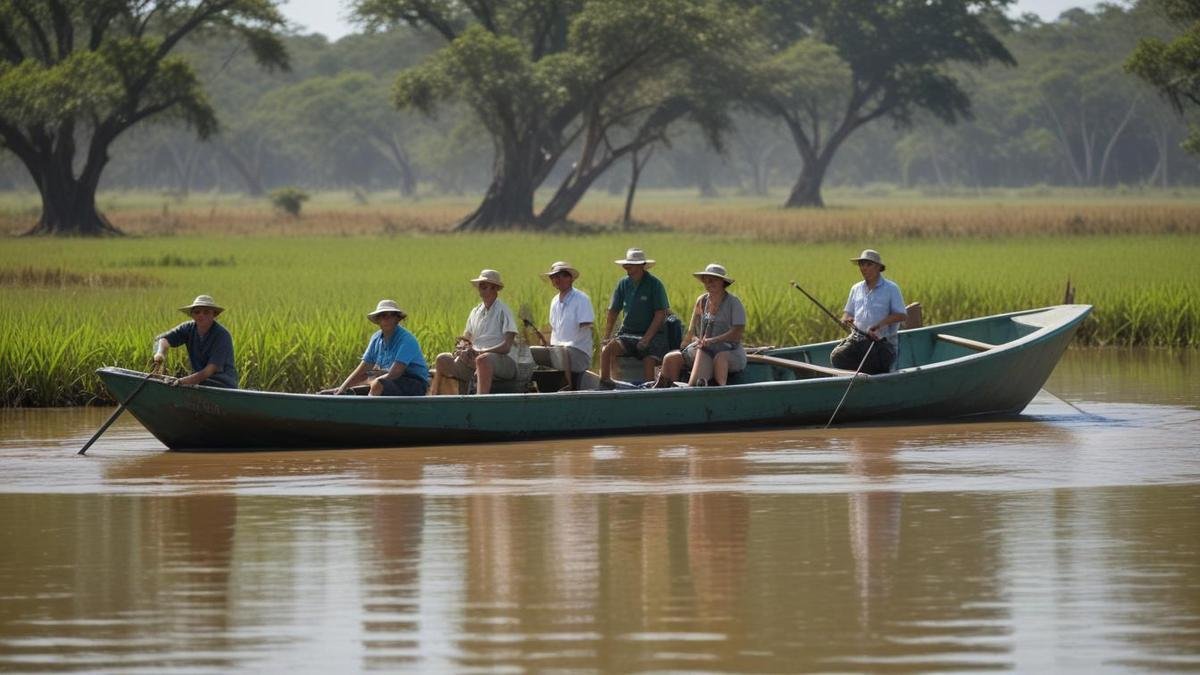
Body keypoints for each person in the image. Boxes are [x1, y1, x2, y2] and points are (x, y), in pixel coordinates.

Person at [654, 263, 746, 387]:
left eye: (713, 280)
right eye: (706, 280)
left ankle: (707, 388)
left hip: (729, 350)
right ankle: (666, 389)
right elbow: (691, 332)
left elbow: (736, 334)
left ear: (722, 282)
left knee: (719, 358)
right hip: (704, 348)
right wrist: (694, 340)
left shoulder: (734, 303)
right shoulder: (702, 301)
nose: (709, 283)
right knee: (670, 358)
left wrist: (712, 340)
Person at [432, 269, 518, 395]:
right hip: (475, 358)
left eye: (485, 284)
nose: (481, 287)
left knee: (483, 360)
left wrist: (481, 352)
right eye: (480, 284)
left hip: (502, 362)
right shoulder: (475, 311)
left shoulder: (504, 311)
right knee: (442, 359)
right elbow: (466, 339)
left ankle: (480, 401)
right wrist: (462, 349)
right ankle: (435, 398)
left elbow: (506, 347)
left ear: (495, 288)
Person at [324, 300, 429, 396]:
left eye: (391, 315)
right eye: (383, 315)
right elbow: (364, 368)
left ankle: (368, 409)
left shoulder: (406, 339)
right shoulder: (376, 338)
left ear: (397, 319)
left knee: (377, 382)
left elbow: (395, 373)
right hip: (392, 381)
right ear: (378, 320)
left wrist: (375, 382)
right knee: (367, 378)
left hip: (415, 384)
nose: (387, 318)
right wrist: (342, 388)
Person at [599, 248, 670, 387]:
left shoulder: (655, 285)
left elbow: (660, 314)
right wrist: (606, 337)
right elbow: (613, 311)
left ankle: (649, 388)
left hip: (653, 335)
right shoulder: (623, 284)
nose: (627, 269)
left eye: (630, 266)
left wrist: (646, 339)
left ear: (641, 266)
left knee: (648, 357)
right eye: (626, 266)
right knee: (607, 350)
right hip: (627, 334)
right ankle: (607, 383)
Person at [829, 249, 907, 374]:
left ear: (878, 267)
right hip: (857, 340)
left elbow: (901, 315)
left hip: (882, 344)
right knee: (837, 357)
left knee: (870, 358)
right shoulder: (856, 288)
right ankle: (859, 377)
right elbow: (847, 313)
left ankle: (867, 377)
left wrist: (879, 326)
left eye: (868, 264)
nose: (864, 268)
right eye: (861, 264)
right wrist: (846, 319)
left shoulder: (891, 288)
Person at [530, 261, 594, 391]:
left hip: (578, 353)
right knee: (533, 352)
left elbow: (585, 327)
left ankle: (568, 386)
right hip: (558, 352)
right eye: (554, 277)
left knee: (562, 351)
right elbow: (555, 330)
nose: (556, 279)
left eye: (561, 276)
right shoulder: (554, 302)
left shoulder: (581, 299)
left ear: (570, 278)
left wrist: (562, 346)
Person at [152, 294, 238, 388]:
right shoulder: (188, 328)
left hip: (222, 384)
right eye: (197, 312)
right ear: (192, 315)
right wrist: (160, 353)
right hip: (201, 383)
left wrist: (181, 382)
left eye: (206, 312)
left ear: (214, 314)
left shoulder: (222, 335)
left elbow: (210, 370)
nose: (201, 315)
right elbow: (164, 339)